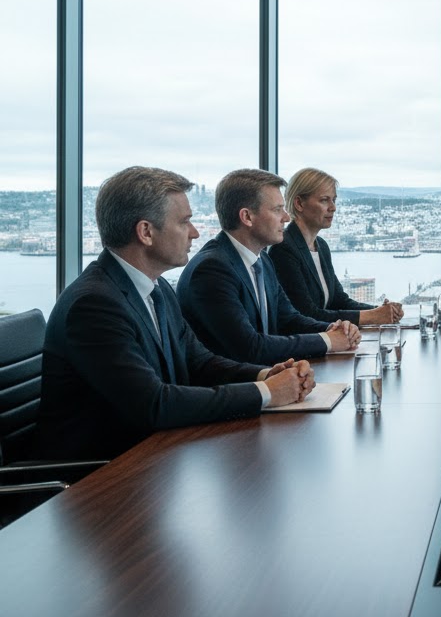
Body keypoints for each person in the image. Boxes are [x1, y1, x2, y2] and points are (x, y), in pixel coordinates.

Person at [36, 167, 315, 461]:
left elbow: (199, 363)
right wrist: (266, 393)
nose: (195, 232)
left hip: (154, 455)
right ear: (146, 232)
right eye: (184, 222)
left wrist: (266, 374)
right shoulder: (94, 306)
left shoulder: (157, 289)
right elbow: (153, 404)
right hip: (99, 474)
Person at [176, 168, 361, 365]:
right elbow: (250, 347)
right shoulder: (212, 270)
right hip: (239, 382)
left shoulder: (261, 260)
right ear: (247, 217)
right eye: (277, 209)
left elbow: (288, 319)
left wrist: (333, 329)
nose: (286, 217)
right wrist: (328, 341)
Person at [268, 167, 403, 326]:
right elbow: (307, 314)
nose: (333, 207)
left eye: (334, 200)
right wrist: (372, 316)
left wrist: (382, 311)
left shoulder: (321, 246)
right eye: (324, 200)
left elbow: (339, 301)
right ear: (299, 203)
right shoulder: (284, 249)